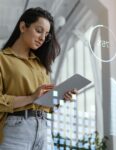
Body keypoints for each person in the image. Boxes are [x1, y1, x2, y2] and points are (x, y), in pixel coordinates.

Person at [0, 7, 76, 150]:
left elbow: (44, 104)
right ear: (23, 27)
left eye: (46, 34)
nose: (42, 38)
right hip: (16, 131)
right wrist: (31, 98)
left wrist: (59, 97)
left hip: (44, 130)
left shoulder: (40, 65)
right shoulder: (2, 60)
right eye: (39, 30)